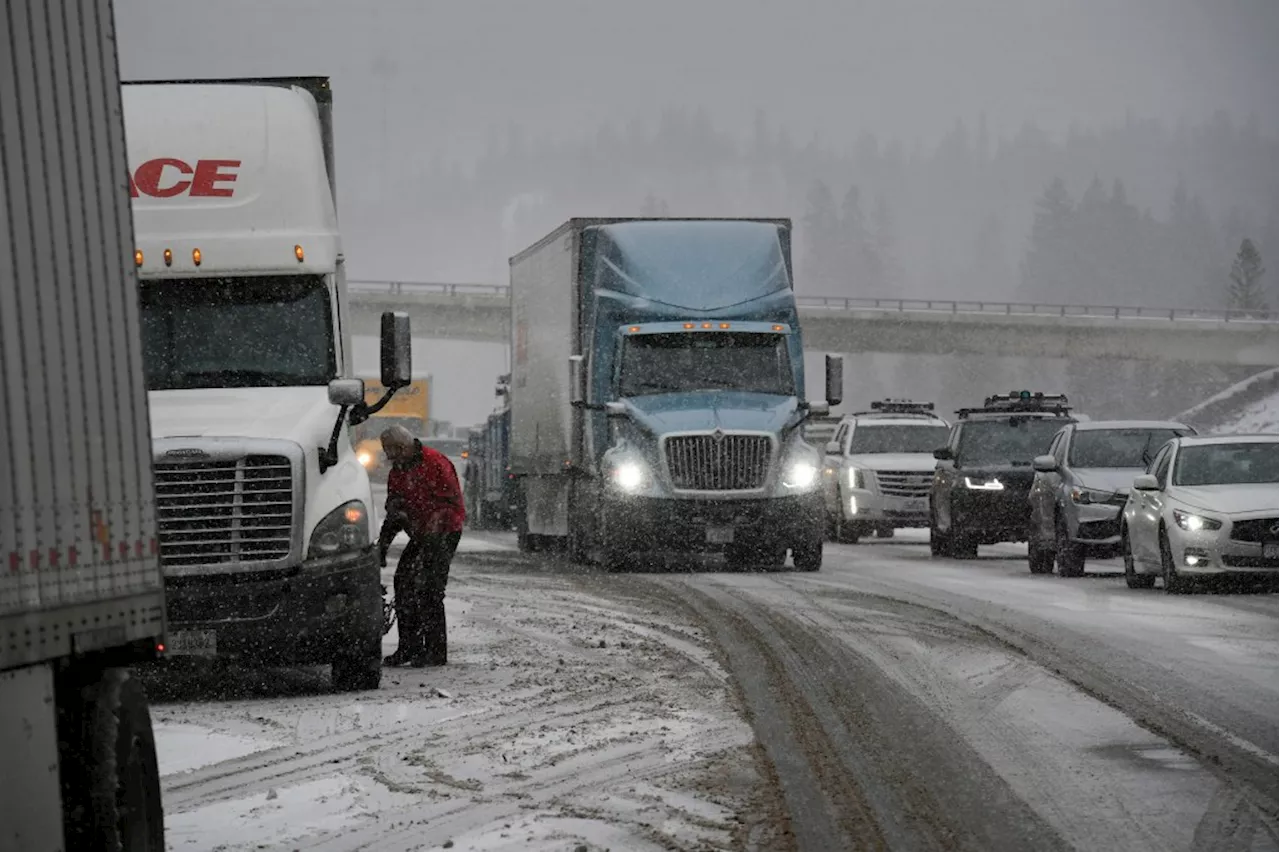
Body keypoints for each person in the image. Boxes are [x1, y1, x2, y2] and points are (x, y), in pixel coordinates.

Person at [376, 425, 465, 667]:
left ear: (403, 447)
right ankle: (409, 647)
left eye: (392, 453)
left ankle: (435, 652)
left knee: (429, 589)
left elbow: (449, 504)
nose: (390, 459)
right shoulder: (398, 471)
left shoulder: (435, 463)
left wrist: (432, 538)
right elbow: (395, 513)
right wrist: (382, 547)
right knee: (403, 583)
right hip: (421, 534)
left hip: (445, 532)